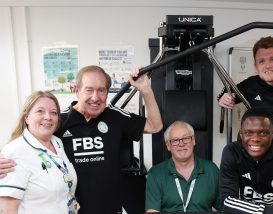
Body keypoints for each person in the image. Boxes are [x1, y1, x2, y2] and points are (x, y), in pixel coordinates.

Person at [0, 65, 163, 214]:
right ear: (76, 91)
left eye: (101, 90)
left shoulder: (115, 116)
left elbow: (155, 126)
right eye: (89, 90)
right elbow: (24, 144)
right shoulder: (59, 120)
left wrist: (145, 90)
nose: (95, 97)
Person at [0, 91, 78, 213]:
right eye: (40, 111)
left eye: (53, 112)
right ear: (27, 118)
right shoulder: (15, 151)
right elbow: (7, 209)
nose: (48, 117)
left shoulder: (57, 142)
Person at [145, 121, 221, 212]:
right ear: (168, 146)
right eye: (175, 140)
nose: (181, 144)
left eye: (186, 138)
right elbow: (152, 211)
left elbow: (225, 209)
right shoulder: (155, 173)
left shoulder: (211, 170)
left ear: (193, 140)